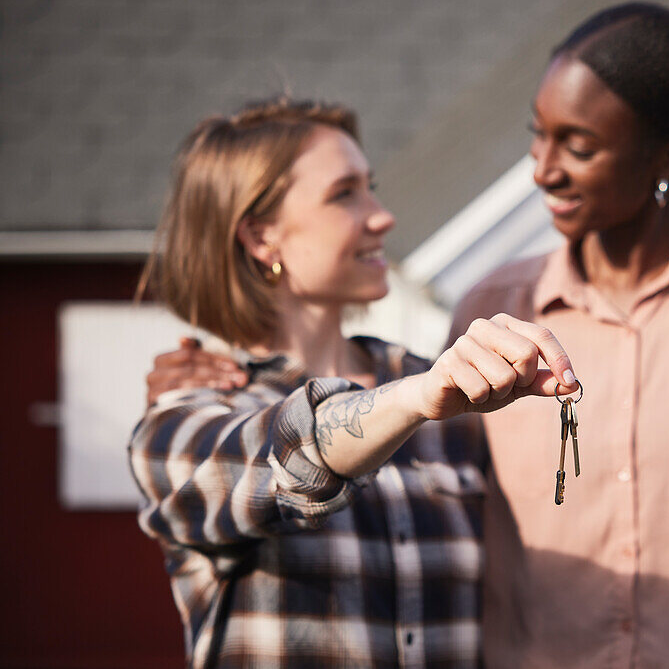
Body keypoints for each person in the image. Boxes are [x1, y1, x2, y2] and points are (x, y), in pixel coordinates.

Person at [148, 4, 669, 668]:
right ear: (261, 238)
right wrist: (212, 396)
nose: (541, 167)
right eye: (538, 135)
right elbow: (251, 462)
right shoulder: (479, 330)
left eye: (577, 144)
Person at [129, 96, 579, 668]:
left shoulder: (448, 399)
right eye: (345, 193)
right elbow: (284, 455)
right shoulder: (184, 418)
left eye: (370, 186)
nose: (382, 215)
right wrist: (414, 400)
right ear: (261, 237)